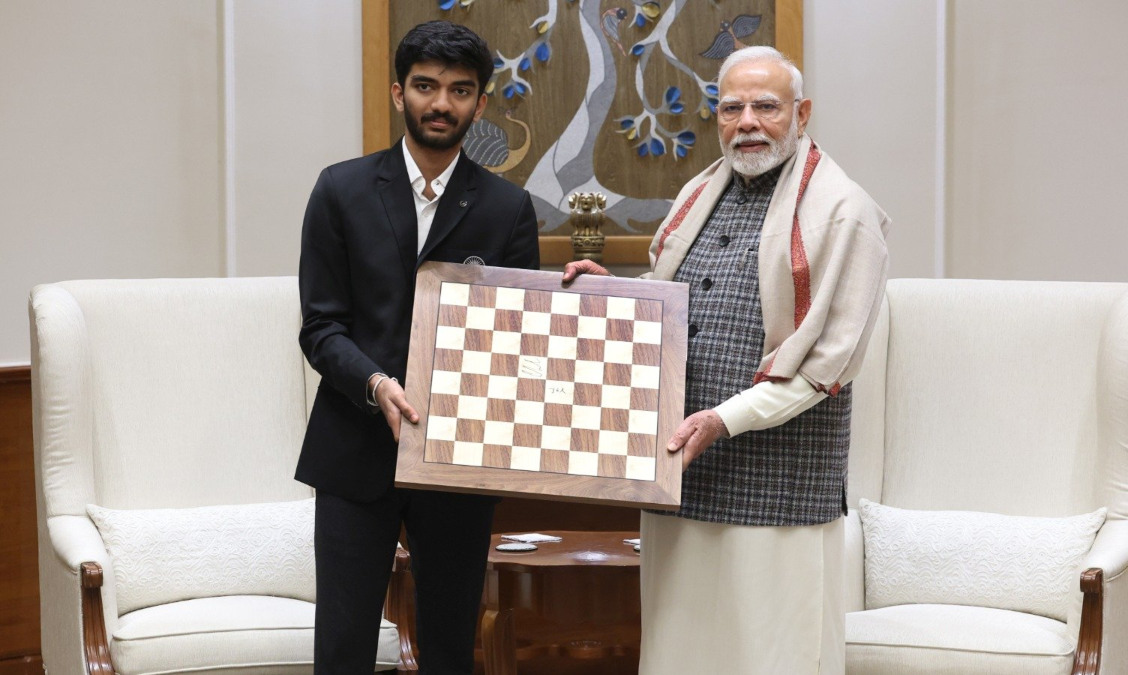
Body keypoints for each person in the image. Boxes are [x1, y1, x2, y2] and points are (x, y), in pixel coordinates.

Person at [563, 46, 889, 673]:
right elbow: (673, 312)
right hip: (685, 477)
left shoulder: (845, 213)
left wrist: (720, 420)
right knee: (680, 652)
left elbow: (827, 367)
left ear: (802, 112)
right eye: (731, 106)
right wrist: (614, 294)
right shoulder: (698, 193)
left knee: (770, 656)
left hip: (778, 489)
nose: (747, 122)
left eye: (766, 106)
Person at [295, 20, 539, 675]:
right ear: (399, 92)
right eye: (426, 86)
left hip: (460, 459)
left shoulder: (509, 208)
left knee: (451, 649)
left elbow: (519, 340)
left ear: (481, 105)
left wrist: (572, 303)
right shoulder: (340, 190)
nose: (442, 103)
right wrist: (376, 384)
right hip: (354, 449)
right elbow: (320, 328)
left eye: (461, 91)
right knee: (343, 648)